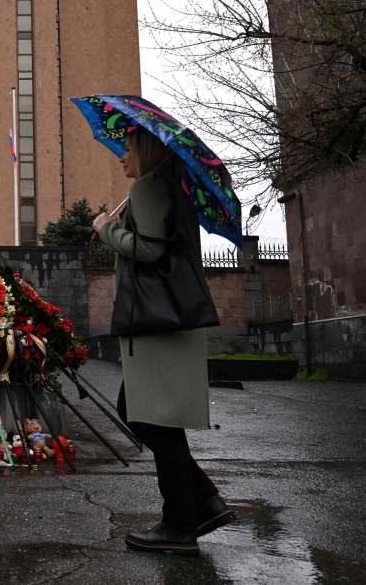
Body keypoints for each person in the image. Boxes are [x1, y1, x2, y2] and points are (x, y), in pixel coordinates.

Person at [92, 128, 236, 557]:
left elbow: (150, 249)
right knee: (144, 414)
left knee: (152, 421)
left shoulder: (149, 187)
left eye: (127, 149)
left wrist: (106, 230)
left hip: (158, 322)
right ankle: (203, 504)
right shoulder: (170, 187)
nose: (121, 157)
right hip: (171, 319)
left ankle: (180, 525)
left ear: (146, 150)